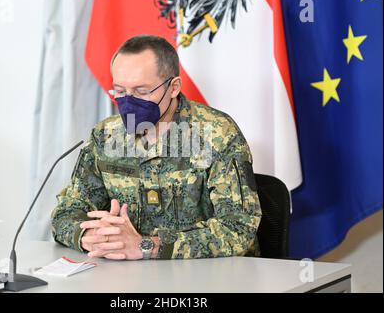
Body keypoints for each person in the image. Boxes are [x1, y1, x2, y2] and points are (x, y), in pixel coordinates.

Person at [51, 34, 261, 260]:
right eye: (120, 91)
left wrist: (146, 246)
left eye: (142, 91)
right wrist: (90, 235)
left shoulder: (217, 133)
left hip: (208, 278)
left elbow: (238, 229)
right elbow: (66, 211)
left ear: (173, 87)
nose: (129, 101)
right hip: (127, 278)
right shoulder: (106, 135)